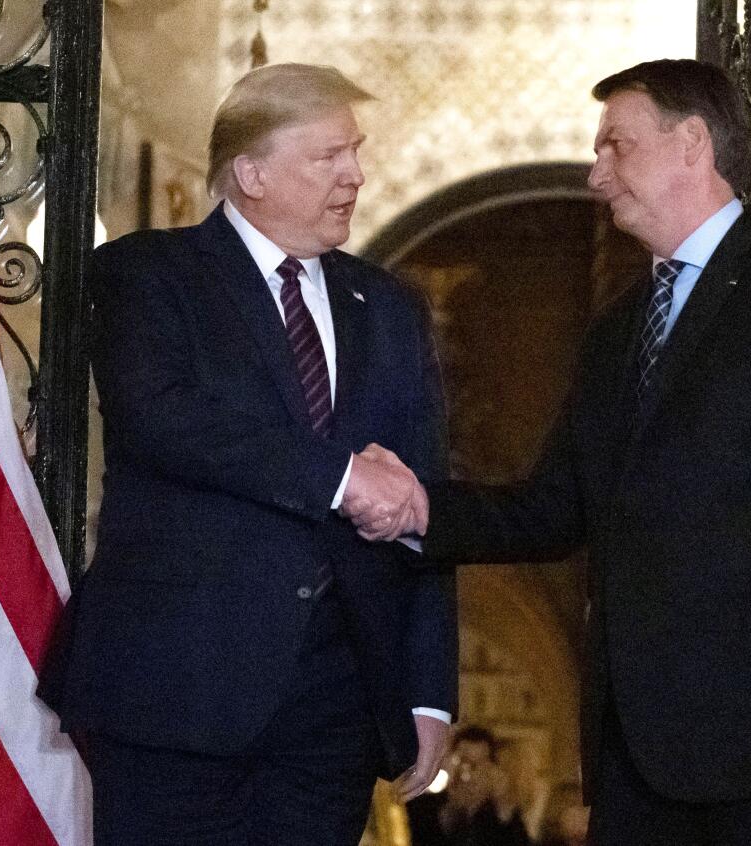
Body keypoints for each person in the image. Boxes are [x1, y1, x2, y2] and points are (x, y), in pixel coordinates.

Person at [347, 59, 751, 845]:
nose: (596, 171)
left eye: (616, 146)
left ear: (692, 144)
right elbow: (552, 508)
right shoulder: (619, 330)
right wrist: (417, 506)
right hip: (635, 759)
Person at [39, 63, 456, 845]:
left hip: (334, 712)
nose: (355, 175)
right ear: (251, 172)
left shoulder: (391, 307)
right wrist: (339, 477)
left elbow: (419, 502)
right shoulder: (147, 275)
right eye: (328, 156)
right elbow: (165, 421)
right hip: (175, 691)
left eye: (355, 152)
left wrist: (429, 693)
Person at [406, 726, 532, 846]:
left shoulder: (500, 816)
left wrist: (504, 810)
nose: (469, 773)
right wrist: (454, 809)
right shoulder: (421, 808)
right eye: (463, 761)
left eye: (479, 764)